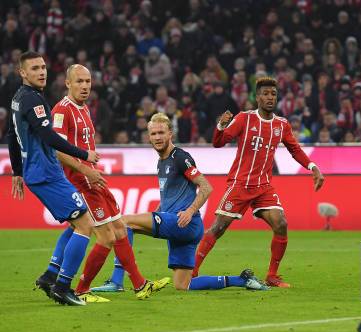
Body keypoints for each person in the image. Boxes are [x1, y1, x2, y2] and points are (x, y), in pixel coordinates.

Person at [41, 64, 170, 301]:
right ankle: (81, 289)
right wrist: (84, 170)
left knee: (120, 228)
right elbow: (56, 149)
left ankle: (140, 284)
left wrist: (92, 170)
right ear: (67, 83)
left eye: (88, 82)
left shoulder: (85, 109)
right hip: (81, 181)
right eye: (79, 81)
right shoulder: (62, 110)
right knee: (106, 237)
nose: (85, 86)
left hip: (93, 178)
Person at [98, 113, 268, 292]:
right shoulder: (161, 162)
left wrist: (190, 211)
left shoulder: (179, 157)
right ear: (148, 137)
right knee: (183, 285)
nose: (157, 137)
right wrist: (159, 211)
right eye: (154, 134)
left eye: (161, 133)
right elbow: (169, 196)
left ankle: (117, 281)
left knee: (123, 222)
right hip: (182, 226)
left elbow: (206, 187)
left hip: (183, 222)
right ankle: (241, 280)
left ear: (170, 133)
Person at [193, 77, 325, 288]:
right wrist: (220, 125)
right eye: (265, 94)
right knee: (217, 228)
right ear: (257, 97)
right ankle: (193, 271)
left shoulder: (281, 125)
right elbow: (218, 143)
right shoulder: (244, 118)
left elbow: (295, 149)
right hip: (240, 184)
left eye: (273, 94)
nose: (270, 97)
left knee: (281, 224)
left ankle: (272, 276)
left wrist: (312, 167)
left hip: (263, 187)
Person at [7, 51, 99, 306]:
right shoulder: (33, 101)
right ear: (22, 73)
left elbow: (11, 136)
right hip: (46, 172)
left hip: (38, 171)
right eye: (34, 68)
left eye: (43, 67)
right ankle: (62, 285)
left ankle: (50, 276)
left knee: (76, 222)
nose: (41, 72)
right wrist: (85, 154)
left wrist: (17, 171)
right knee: (85, 225)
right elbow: (50, 138)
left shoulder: (18, 98)